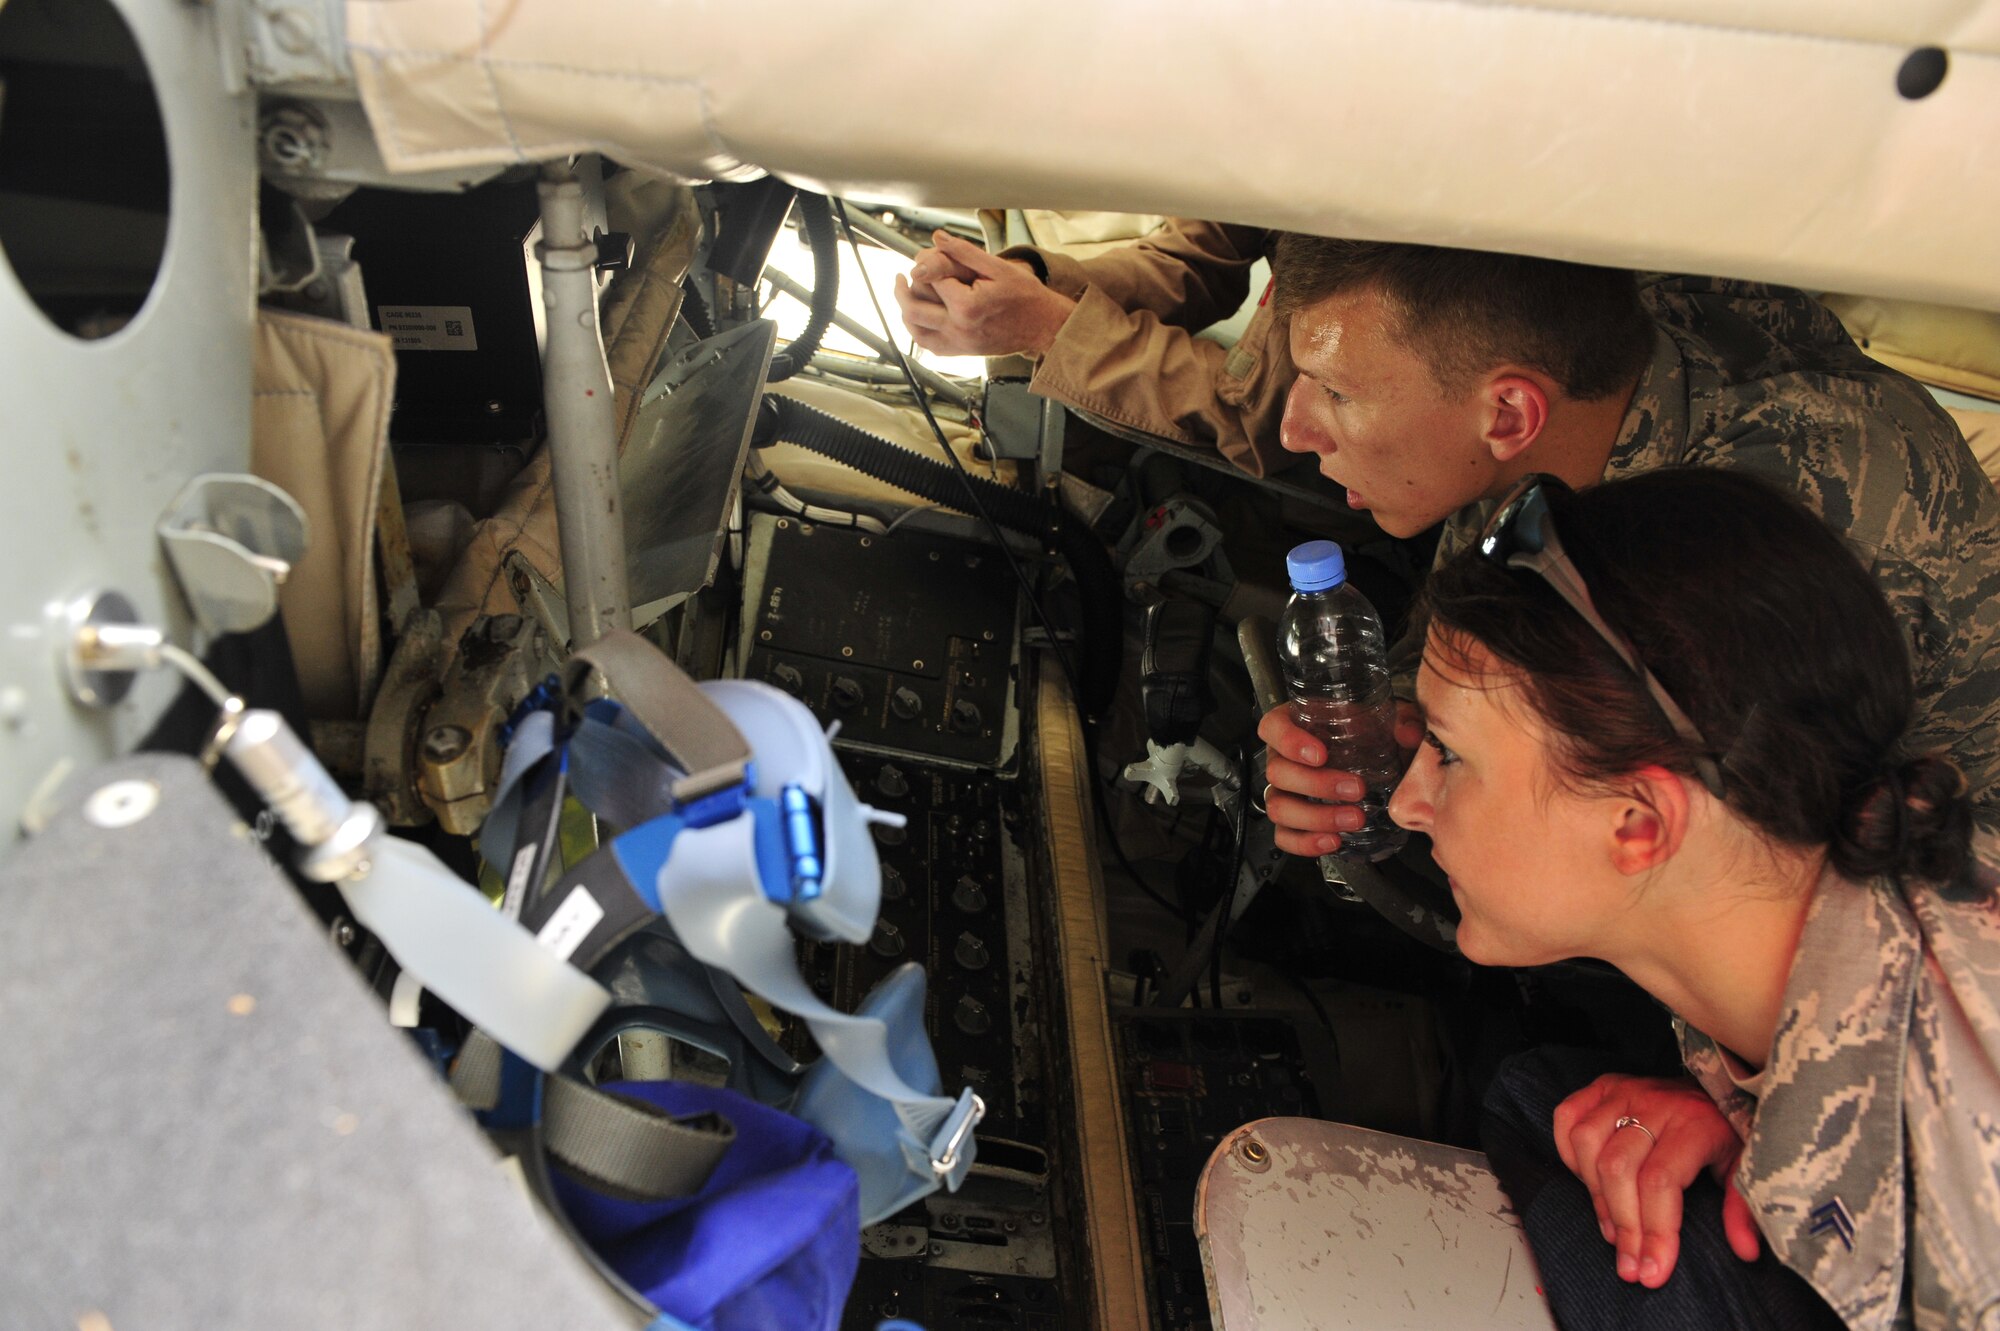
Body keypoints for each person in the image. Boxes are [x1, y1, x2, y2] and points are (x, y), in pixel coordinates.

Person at [1387, 467, 1997, 1328]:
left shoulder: (1965, 1188)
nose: (1406, 804)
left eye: (1449, 754)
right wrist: (1747, 1121)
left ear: (1638, 824)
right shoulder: (1809, 924)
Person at [1260, 238, 2000, 869]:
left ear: (1511, 413)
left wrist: (1425, 783)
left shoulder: (1757, 549)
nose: (1294, 428)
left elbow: (1722, 885)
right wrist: (1391, 729)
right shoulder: (1570, 363)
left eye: (1335, 393)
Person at [894, 219, 1293, 477]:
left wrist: (1048, 328)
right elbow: (1197, 259)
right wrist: (1034, 280)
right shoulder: (1284, 131)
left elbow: (1269, 422)